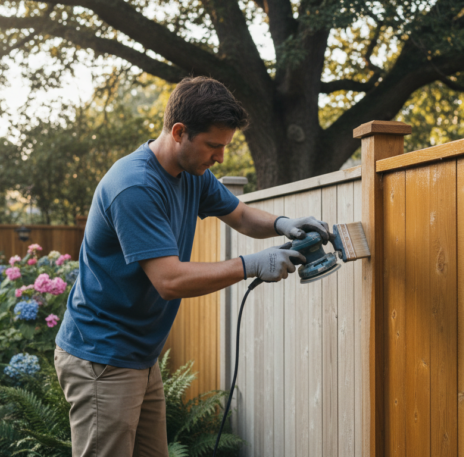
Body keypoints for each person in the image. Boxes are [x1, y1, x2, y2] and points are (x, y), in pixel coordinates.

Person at [54, 76, 332, 457]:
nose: (219, 157)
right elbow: (168, 280)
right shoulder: (135, 186)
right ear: (179, 132)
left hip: (139, 356)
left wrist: (285, 224)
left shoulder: (192, 174)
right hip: (102, 357)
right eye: (213, 146)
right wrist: (252, 264)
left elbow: (241, 214)